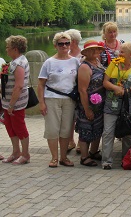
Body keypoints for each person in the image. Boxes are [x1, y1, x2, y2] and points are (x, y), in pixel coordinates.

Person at [37, 32, 80, 168]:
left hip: (69, 100)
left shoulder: (75, 61)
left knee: (66, 129)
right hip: (52, 98)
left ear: (70, 44)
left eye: (67, 43)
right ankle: (54, 158)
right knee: (52, 129)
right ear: (55, 45)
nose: (64, 46)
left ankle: (63, 157)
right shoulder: (49, 62)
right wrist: (42, 103)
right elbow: (41, 84)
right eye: (61, 44)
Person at [102, 42, 131, 169]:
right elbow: (105, 82)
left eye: (122, 52)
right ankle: (106, 161)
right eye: (120, 51)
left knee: (128, 132)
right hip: (111, 104)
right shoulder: (114, 64)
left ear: (130, 54)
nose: (119, 54)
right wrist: (115, 87)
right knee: (108, 132)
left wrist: (127, 91)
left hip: (128, 105)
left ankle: (126, 160)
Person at [75, 40, 105, 167]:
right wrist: (87, 109)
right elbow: (82, 90)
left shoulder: (98, 62)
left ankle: (93, 151)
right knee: (86, 128)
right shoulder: (85, 66)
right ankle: (84, 156)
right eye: (92, 50)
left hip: (100, 103)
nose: (95, 52)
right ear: (86, 52)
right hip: (87, 102)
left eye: (97, 49)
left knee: (98, 127)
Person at [1, 35, 30, 164]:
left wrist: (12, 104)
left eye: (8, 47)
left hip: (16, 103)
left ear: (15, 49)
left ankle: (25, 154)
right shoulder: (13, 62)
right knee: (10, 126)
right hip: (7, 102)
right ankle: (15, 152)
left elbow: (19, 86)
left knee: (19, 127)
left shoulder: (20, 63)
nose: (6, 50)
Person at [65, 28, 82, 152]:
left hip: (81, 89)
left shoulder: (83, 54)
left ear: (74, 41)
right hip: (69, 90)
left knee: (81, 117)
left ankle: (81, 141)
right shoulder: (64, 55)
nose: (65, 44)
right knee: (70, 117)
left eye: (67, 41)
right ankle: (70, 141)